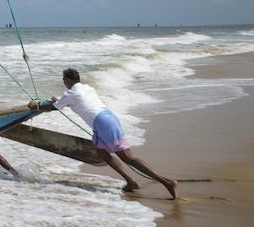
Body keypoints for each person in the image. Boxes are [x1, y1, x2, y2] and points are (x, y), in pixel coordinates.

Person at [29, 68, 177, 198]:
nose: (63, 82)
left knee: (128, 157)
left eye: (63, 80)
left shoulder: (71, 93)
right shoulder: (87, 88)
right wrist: (58, 100)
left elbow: (56, 107)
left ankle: (166, 182)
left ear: (68, 80)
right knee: (103, 153)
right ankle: (131, 181)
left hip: (103, 123)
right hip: (107, 118)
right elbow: (69, 101)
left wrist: (36, 106)